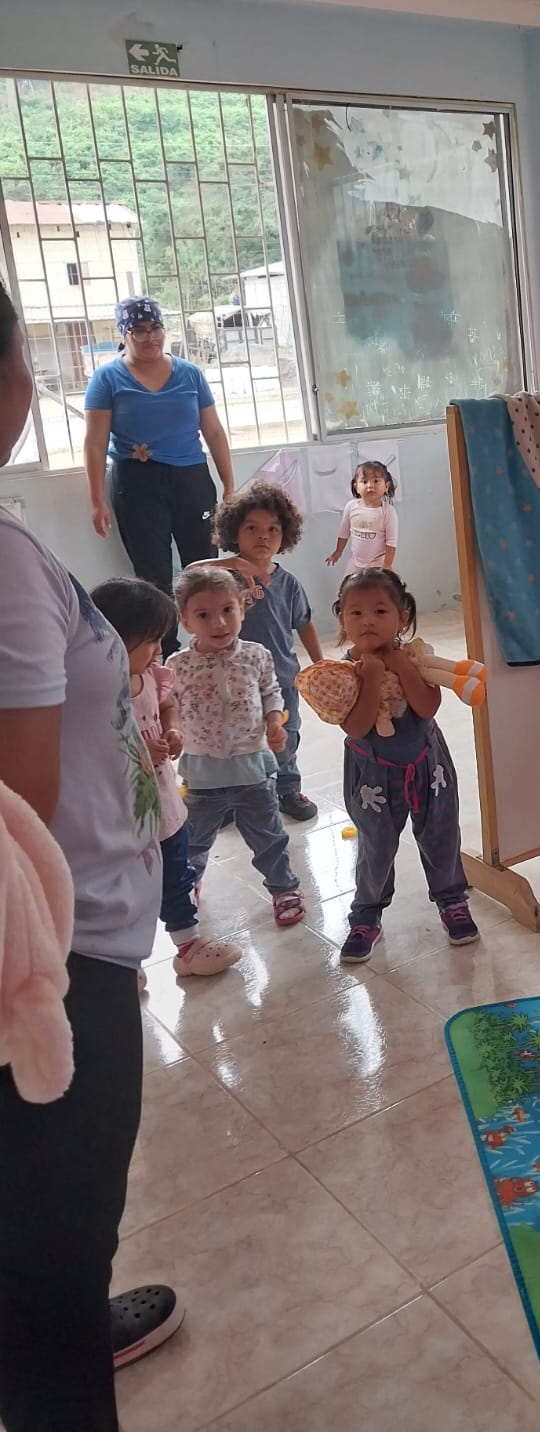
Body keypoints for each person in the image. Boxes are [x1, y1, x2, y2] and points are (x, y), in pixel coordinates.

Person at [0, 279, 182, 1431]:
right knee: (48, 1261)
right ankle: (57, 1318)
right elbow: (15, 825)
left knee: (39, 1221)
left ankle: (61, 1295)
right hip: (52, 964)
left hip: (65, 947)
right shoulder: (6, 563)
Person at [89, 578, 242, 979]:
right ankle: (125, 963)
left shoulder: (151, 676)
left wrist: (172, 729)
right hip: (122, 817)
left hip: (164, 806)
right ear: (113, 639)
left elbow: (166, 705)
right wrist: (138, 748)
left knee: (176, 876)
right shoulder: (95, 693)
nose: (159, 650)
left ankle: (188, 946)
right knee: (126, 891)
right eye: (150, 641)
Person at [332, 567, 476, 960]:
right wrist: (372, 679)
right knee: (375, 847)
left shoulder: (416, 657)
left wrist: (403, 667)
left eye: (380, 611)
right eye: (356, 612)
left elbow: (427, 707)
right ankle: (366, 915)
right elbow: (356, 728)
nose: (368, 621)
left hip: (429, 766)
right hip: (372, 777)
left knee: (441, 835)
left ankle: (452, 900)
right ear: (342, 619)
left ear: (403, 617)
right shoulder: (343, 672)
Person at [84, 296, 234, 654]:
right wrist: (96, 500)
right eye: (138, 330)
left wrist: (229, 485)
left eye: (155, 328)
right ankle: (163, 654)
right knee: (153, 574)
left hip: (191, 479)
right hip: (137, 483)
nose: (149, 337)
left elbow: (214, 431)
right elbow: (94, 442)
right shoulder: (107, 378)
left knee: (204, 565)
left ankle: (212, 644)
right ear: (124, 334)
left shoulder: (190, 374)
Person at [167, 567, 307, 928]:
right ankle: (188, 885)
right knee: (194, 841)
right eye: (203, 615)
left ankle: (283, 889)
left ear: (242, 609)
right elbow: (171, 706)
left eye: (228, 610)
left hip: (252, 771)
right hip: (202, 775)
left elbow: (271, 692)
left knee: (269, 837)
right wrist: (174, 731)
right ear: (185, 620)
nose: (219, 622)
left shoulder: (256, 655)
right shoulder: (177, 665)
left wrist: (274, 722)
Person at [204, 481, 323, 822]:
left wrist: (321, 665)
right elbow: (190, 574)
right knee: (234, 742)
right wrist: (231, 565)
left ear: (285, 535)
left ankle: (287, 789)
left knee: (285, 737)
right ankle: (233, 797)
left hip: (281, 680)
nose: (263, 537)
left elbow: (304, 624)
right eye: (252, 528)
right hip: (233, 682)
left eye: (273, 530)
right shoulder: (223, 578)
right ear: (234, 532)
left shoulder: (288, 583)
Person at [325, 460, 398, 572]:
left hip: (378, 563)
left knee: (374, 584)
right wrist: (338, 552)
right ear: (356, 487)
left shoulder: (388, 511)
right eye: (364, 482)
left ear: (386, 486)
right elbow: (343, 533)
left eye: (376, 481)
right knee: (349, 583)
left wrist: (387, 564)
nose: (370, 486)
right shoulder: (351, 506)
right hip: (355, 562)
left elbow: (391, 541)